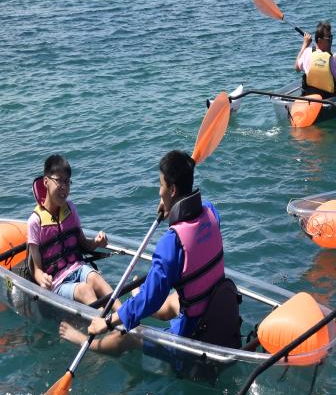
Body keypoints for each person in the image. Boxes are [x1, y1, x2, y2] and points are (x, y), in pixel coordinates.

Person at [58, 150, 239, 356]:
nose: (158, 192)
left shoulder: (171, 243)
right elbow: (193, 210)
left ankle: (88, 342)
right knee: (172, 300)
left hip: (195, 335)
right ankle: (135, 302)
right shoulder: (211, 213)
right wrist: (172, 207)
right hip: (218, 310)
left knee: (130, 334)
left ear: (171, 190)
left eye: (161, 186)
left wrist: (108, 322)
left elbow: (152, 299)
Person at [27, 154, 112, 305]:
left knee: (95, 278)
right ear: (46, 182)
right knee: (85, 290)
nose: (64, 187)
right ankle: (107, 326)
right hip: (58, 282)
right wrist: (43, 280)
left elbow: (84, 244)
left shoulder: (70, 209)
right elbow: (36, 269)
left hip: (77, 267)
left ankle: (126, 315)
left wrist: (97, 242)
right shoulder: (35, 221)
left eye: (67, 182)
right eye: (59, 180)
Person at [296, 21, 336, 96]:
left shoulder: (307, 52)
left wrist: (305, 44)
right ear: (319, 41)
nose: (331, 41)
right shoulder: (329, 59)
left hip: (311, 97)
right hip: (328, 101)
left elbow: (297, 67)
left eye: (331, 37)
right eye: (328, 38)